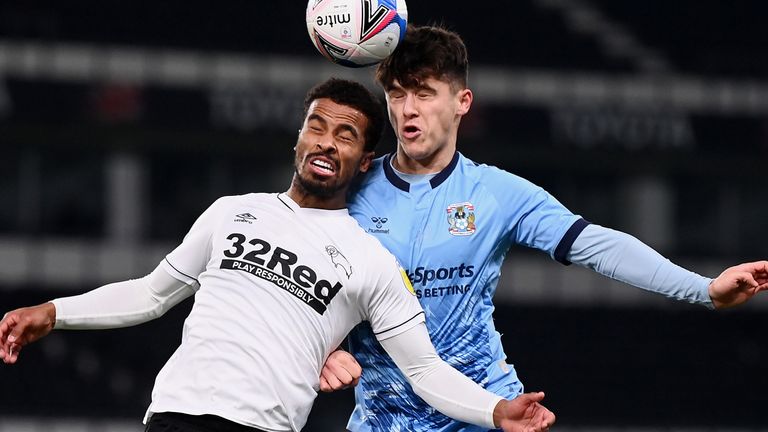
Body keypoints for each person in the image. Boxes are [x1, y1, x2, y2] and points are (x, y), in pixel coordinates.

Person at [0, 78, 556, 432]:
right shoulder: (229, 212)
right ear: (298, 139)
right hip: (171, 416)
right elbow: (150, 293)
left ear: (364, 162)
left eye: (345, 135)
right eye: (317, 126)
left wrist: (495, 410)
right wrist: (53, 312)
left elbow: (425, 369)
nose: (326, 142)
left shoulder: (372, 262)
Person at [319, 25, 768, 432]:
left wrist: (703, 289)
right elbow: (303, 278)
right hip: (383, 418)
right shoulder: (349, 189)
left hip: (492, 414)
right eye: (397, 95)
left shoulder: (497, 192)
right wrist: (324, 348)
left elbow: (597, 245)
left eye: (424, 93)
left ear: (462, 102)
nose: (408, 109)